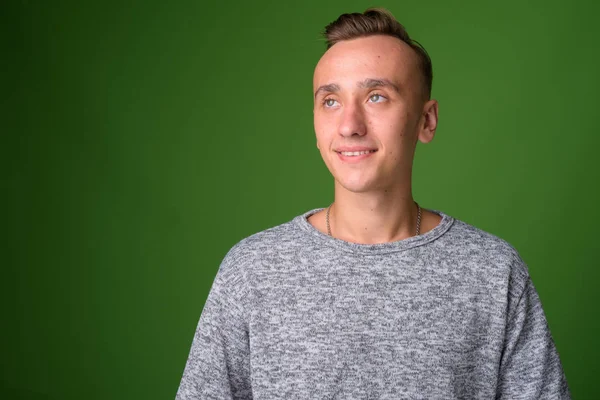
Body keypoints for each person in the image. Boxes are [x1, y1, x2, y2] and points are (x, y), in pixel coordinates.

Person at [176, 8, 570, 399]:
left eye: (377, 97)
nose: (349, 125)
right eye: (330, 101)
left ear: (426, 121)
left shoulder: (493, 271)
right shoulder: (251, 271)